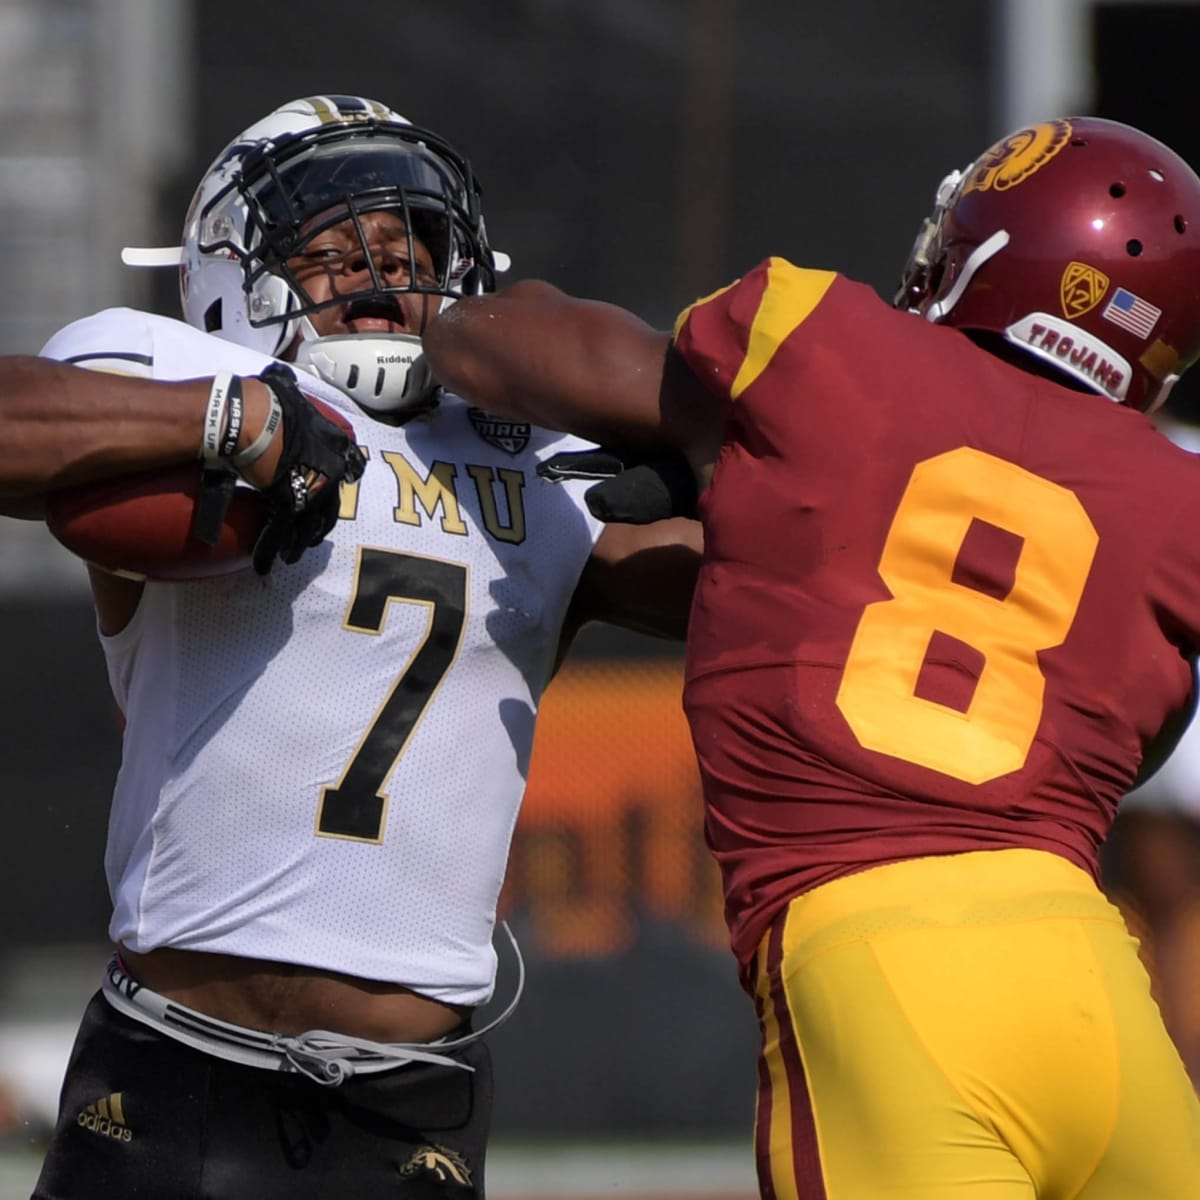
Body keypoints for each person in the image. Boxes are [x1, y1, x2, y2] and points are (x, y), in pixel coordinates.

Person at [424, 115, 1200, 1197]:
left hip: (883, 965)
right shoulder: (1175, 501)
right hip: (1093, 986)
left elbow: (514, 352)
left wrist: (446, 320)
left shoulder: (829, 348)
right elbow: (1137, 739)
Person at [0, 95, 699, 1199]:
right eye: (331, 253)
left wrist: (732, 479)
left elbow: (769, 593)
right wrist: (231, 424)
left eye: (409, 251)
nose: (379, 279)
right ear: (232, 275)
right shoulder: (175, 376)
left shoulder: (535, 456)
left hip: (404, 1106)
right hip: (170, 1070)